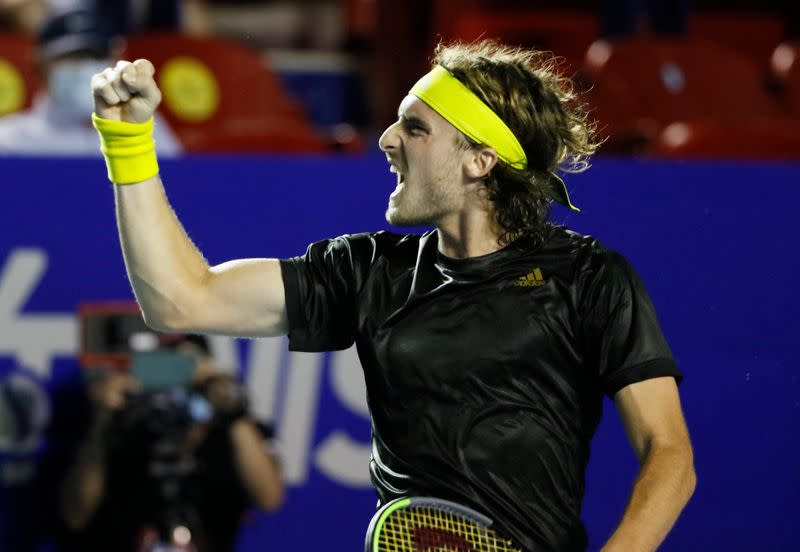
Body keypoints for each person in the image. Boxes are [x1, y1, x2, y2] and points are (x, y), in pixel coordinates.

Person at [89, 40, 696, 551]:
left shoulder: (589, 278)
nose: (385, 138)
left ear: (479, 161)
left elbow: (669, 455)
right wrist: (129, 144)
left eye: (415, 127)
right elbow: (182, 300)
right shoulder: (367, 269)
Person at [57, 333, 284, 552]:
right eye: (161, 370)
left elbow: (269, 498)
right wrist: (103, 420)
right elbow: (75, 515)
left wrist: (231, 407)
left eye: (183, 368)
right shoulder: (122, 428)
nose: (175, 383)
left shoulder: (230, 431)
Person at [0, 6, 181, 156]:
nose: (83, 67)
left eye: (93, 56)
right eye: (70, 57)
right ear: (40, 67)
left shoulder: (143, 128)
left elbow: (176, 186)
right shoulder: (11, 143)